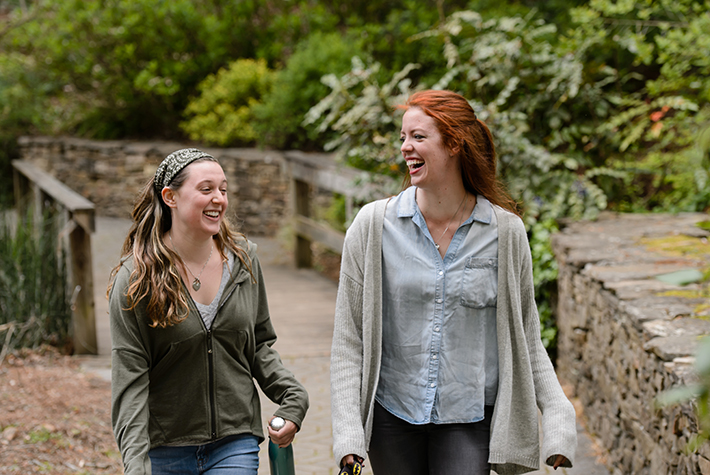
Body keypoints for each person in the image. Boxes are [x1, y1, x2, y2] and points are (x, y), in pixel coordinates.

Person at [330, 90, 577, 475]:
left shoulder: (506, 233)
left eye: (418, 137)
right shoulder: (373, 226)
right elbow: (349, 342)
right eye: (403, 138)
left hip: (468, 415)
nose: (405, 148)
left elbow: (526, 338)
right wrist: (348, 434)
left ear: (455, 144)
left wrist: (560, 417)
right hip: (392, 413)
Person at [108, 148, 309, 475]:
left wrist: (292, 397)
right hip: (164, 450)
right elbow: (130, 381)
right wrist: (135, 465)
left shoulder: (243, 261)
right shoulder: (135, 279)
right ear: (170, 196)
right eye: (206, 189)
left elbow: (257, 344)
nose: (219, 199)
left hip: (234, 441)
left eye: (223, 189)